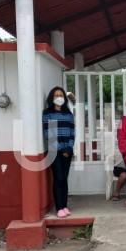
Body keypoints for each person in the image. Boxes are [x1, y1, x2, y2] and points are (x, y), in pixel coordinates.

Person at [42, 86, 75, 218]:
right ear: (51, 98)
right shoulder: (47, 113)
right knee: (58, 177)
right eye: (56, 95)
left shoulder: (68, 114)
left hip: (67, 150)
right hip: (54, 151)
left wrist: (69, 147)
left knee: (64, 179)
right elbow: (48, 133)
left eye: (61, 95)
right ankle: (59, 207)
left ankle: (65, 206)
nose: (59, 98)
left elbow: (73, 132)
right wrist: (60, 149)